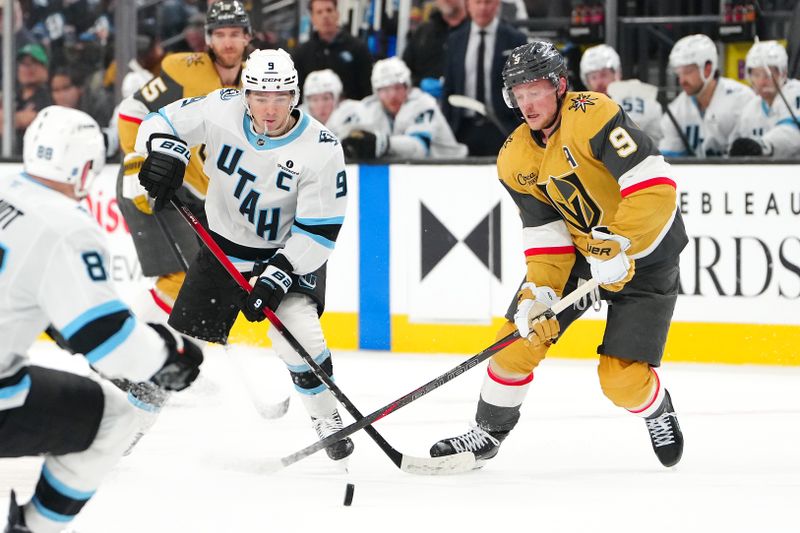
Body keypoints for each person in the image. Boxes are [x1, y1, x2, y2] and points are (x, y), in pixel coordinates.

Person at [429, 41, 688, 469]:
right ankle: (487, 434)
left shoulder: (595, 114)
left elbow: (655, 185)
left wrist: (622, 240)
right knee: (517, 340)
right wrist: (541, 291)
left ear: (560, 86)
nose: (527, 102)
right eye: (519, 92)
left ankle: (657, 408)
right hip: (584, 260)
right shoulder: (514, 156)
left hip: (645, 253)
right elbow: (546, 237)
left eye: (535, 90)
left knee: (621, 381)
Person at [133, 49, 354, 462]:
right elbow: (158, 122)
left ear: (295, 96)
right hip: (221, 250)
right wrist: (164, 152)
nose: (270, 110)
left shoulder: (322, 148)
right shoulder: (221, 107)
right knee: (178, 346)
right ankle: (129, 425)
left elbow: (319, 232)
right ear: (244, 94)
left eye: (281, 97)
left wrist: (280, 273)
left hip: (285, 254)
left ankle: (327, 417)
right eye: (259, 97)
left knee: (298, 336)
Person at [0, 106, 202, 533]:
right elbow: (112, 342)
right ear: (86, 166)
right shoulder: (65, 225)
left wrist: (63, 328)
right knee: (114, 417)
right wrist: (171, 358)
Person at [116, 0, 251, 326]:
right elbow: (131, 112)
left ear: (248, 37)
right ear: (208, 39)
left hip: (198, 197)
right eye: (220, 34)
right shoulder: (183, 69)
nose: (228, 42)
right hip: (156, 184)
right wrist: (138, 159)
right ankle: (132, 352)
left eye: (235, 33)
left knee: (206, 280)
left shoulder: (257, 87)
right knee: (184, 277)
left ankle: (162, 354)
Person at [442, 0, 527, 155]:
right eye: (478, 2)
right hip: (463, 128)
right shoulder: (455, 39)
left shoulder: (515, 39)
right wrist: (448, 127)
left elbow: (522, 87)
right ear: (468, 5)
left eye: (488, 2)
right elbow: (449, 86)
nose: (483, 8)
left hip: (502, 126)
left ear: (497, 4)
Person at [340, 57, 467, 159]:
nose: (392, 95)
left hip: (454, 170)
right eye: (385, 89)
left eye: (397, 87)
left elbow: (419, 149)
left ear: (408, 88)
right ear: (376, 92)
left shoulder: (423, 104)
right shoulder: (369, 108)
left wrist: (384, 143)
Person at [659, 33, 755, 158]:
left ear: (707, 69)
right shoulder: (675, 110)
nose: (682, 80)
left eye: (688, 71)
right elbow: (670, 159)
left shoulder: (742, 99)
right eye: (678, 73)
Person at [728, 40, 800, 157]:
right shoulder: (750, 109)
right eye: (756, 75)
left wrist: (763, 146)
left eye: (768, 75)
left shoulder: (796, 92)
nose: (762, 82)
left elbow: (794, 133)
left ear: (783, 73)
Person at [579, 43, 663, 142]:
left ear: (617, 74)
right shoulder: (584, 107)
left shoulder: (635, 95)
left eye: (604, 75)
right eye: (593, 77)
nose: (599, 82)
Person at [291, 0, 373, 101]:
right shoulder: (302, 54)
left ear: (337, 14)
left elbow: (367, 91)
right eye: (319, 12)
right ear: (312, 18)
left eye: (329, 10)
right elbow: (296, 94)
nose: (325, 16)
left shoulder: (358, 49)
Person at [401, 0, 468, 92]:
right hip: (424, 102)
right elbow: (404, 72)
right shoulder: (423, 33)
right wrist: (419, 83)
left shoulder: (477, 33)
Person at [301, 68, 360, 136]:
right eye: (315, 100)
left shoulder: (354, 113)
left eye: (326, 98)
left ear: (337, 98)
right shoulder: (297, 122)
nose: (321, 105)